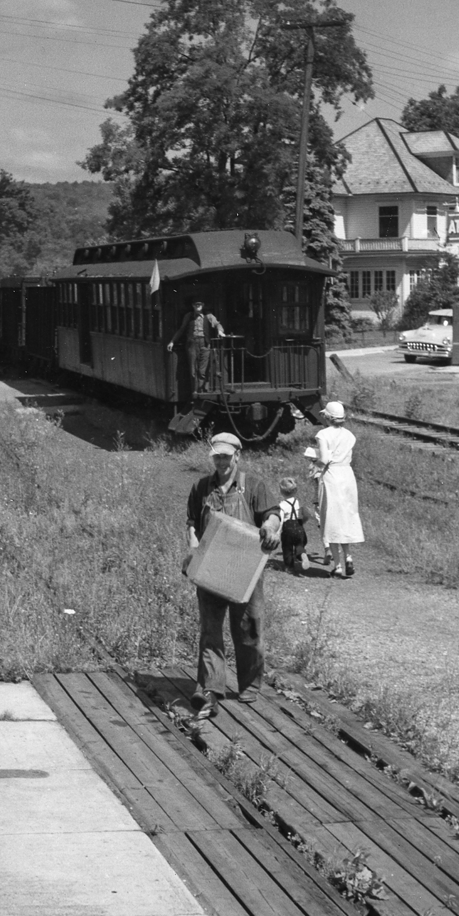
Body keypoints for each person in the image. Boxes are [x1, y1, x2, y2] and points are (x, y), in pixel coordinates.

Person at [186, 432, 282, 717]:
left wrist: (271, 527)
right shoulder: (201, 487)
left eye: (227, 456)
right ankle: (210, 689)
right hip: (212, 564)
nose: (221, 461)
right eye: (217, 456)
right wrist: (193, 552)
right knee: (210, 630)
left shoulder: (253, 485)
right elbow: (193, 523)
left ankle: (249, 686)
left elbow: (272, 513)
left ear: (238, 456)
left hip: (245, 565)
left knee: (249, 627)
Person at [314, 401, 364, 578]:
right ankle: (348, 557)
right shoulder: (349, 435)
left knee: (331, 519)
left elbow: (325, 459)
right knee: (346, 516)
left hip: (332, 476)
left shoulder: (323, 434)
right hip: (347, 475)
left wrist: (314, 460)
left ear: (327, 417)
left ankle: (338, 565)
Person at [168, 298, 226, 401]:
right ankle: (195, 392)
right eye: (195, 304)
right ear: (192, 305)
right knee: (193, 370)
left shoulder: (208, 316)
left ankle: (202, 391)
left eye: (199, 304)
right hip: (192, 344)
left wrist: (220, 331)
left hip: (205, 343)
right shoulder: (189, 316)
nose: (197, 306)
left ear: (203, 305)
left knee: (203, 370)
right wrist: (172, 341)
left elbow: (217, 324)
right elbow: (182, 329)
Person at [276, 477, 315, 575]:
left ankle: (290, 567)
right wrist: (302, 522)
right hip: (298, 527)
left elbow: (280, 521)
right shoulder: (297, 502)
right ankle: (302, 554)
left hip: (287, 529)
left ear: (281, 491)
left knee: (287, 548)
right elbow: (306, 514)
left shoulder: (282, 505)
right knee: (299, 544)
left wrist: (278, 532)